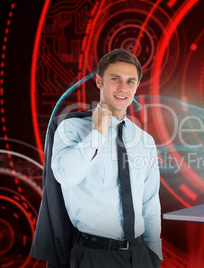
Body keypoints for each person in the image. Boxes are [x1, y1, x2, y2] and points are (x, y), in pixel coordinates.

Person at [30, 49, 162, 268]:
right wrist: (99, 131)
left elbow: (149, 203)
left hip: (140, 256)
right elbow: (66, 176)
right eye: (115, 79)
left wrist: (154, 255)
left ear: (137, 86)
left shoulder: (144, 140)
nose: (123, 88)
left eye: (130, 81)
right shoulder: (70, 129)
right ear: (100, 82)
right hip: (94, 255)